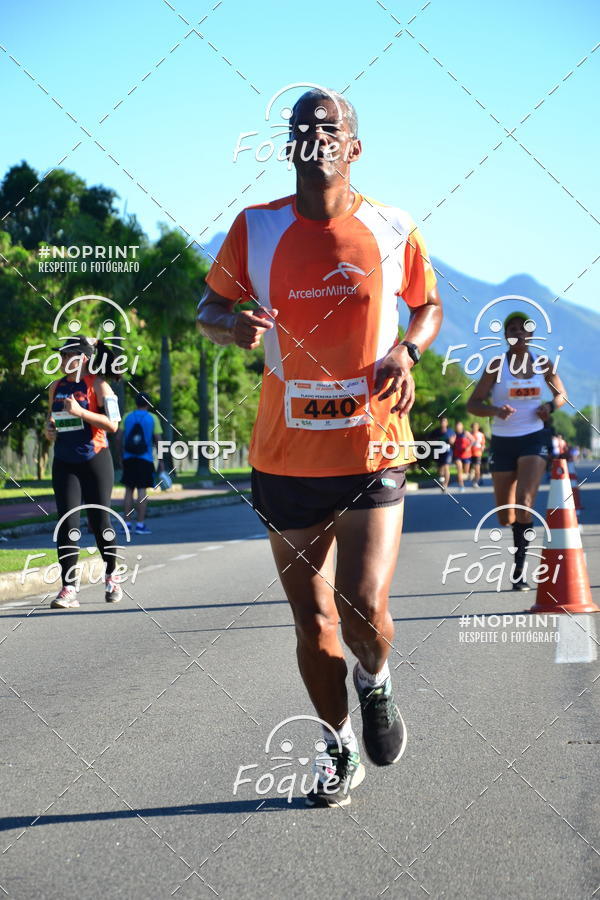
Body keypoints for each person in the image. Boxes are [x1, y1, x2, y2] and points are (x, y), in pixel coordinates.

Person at [197, 87, 442, 806]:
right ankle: (338, 748)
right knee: (314, 623)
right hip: (286, 457)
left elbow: (427, 305)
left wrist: (408, 349)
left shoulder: (393, 227)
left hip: (372, 449)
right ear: (289, 146)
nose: (313, 134)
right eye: (301, 126)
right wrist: (230, 325)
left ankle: (377, 681)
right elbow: (210, 306)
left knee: (363, 607)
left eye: (328, 126)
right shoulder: (256, 229)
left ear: (352, 147)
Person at [467, 311, 567, 590]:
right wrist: (495, 410)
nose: (518, 333)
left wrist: (549, 406)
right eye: (512, 328)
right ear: (506, 335)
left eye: (524, 329)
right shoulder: (496, 365)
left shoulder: (543, 363)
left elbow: (562, 394)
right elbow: (473, 404)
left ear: (531, 334)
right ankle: (518, 545)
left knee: (524, 500)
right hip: (502, 440)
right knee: (505, 514)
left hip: (534, 437)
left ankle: (519, 571)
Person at [45, 336, 122, 608]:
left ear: (84, 359)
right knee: (67, 523)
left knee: (100, 522)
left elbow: (113, 424)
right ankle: (68, 588)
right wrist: (49, 430)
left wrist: (80, 412)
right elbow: (50, 421)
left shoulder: (99, 385)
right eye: (62, 356)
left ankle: (112, 574)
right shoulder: (56, 387)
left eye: (69, 356)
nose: (64, 361)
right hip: (65, 461)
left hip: (95, 459)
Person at [121, 392, 159, 534]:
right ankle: (141, 525)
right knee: (142, 490)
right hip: (145, 458)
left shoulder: (127, 417)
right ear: (148, 404)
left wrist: (120, 455)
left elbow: (119, 437)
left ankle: (127, 523)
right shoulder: (153, 418)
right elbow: (158, 440)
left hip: (129, 458)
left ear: (136, 403)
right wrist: (160, 462)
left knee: (128, 490)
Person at [429, 417, 455, 490]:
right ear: (440, 423)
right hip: (439, 451)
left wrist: (451, 441)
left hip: (447, 451)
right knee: (440, 468)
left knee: (446, 466)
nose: (443, 423)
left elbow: (453, 439)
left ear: (447, 423)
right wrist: (436, 440)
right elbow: (429, 439)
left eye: (444, 422)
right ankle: (442, 479)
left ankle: (445, 485)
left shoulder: (450, 431)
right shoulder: (436, 431)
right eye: (442, 422)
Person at [452, 421, 473, 492]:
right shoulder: (454, 434)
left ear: (462, 426)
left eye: (459, 426)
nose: (458, 427)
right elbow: (452, 442)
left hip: (466, 455)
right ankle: (461, 486)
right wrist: (451, 440)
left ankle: (469, 474)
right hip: (457, 455)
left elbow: (473, 440)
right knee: (459, 470)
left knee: (466, 472)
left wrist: (469, 447)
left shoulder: (466, 433)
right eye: (457, 426)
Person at [469, 422, 486, 487]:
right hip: (469, 453)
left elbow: (483, 443)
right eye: (473, 427)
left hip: (477, 453)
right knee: (470, 469)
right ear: (471, 427)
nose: (474, 428)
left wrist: (482, 447)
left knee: (477, 468)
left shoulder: (481, 434)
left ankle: (476, 481)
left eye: (476, 427)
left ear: (478, 427)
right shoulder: (469, 434)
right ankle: (473, 478)